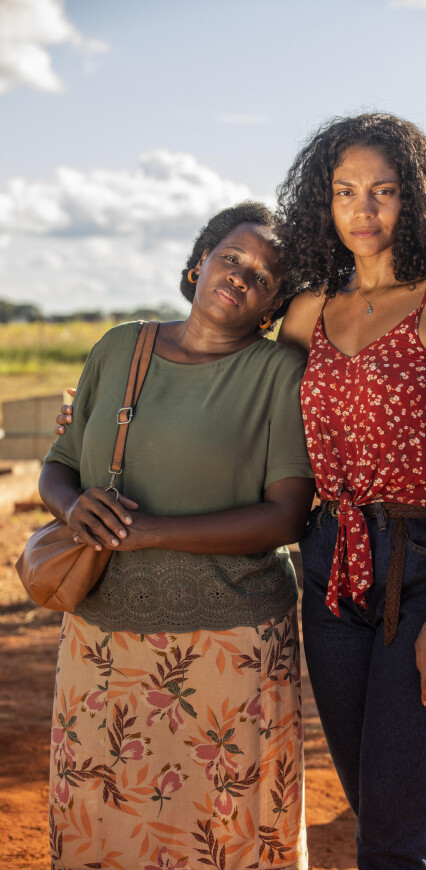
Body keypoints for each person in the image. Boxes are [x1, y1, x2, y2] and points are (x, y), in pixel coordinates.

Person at [41, 201, 315, 870]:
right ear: (198, 265)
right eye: (232, 258)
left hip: (232, 649)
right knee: (101, 825)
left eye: (266, 275)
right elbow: (60, 464)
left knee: (230, 836)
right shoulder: (120, 347)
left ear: (275, 306)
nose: (243, 276)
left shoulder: (279, 375)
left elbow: (286, 516)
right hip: (102, 643)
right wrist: (73, 508)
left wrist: (153, 531)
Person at [275, 114, 426, 869]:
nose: (362, 211)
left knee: (396, 834)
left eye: (383, 191)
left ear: (417, 199)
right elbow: (246, 412)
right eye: (344, 192)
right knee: (376, 804)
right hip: (330, 567)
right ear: (323, 202)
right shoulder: (307, 315)